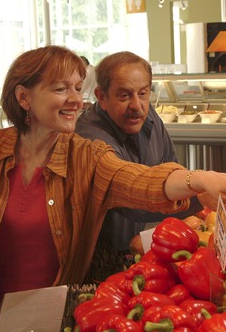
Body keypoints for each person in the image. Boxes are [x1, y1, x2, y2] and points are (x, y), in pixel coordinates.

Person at [0, 45, 226, 331]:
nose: (76, 100)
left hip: (55, 317)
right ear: (24, 97)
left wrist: (200, 179)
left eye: (78, 88)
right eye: (61, 89)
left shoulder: (86, 156)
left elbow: (140, 180)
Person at [75, 51, 205, 281]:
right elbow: (133, 196)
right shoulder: (89, 137)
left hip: (140, 251)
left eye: (143, 93)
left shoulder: (150, 118)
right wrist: (202, 192)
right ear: (101, 97)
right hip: (96, 263)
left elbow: (172, 167)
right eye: (124, 96)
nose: (137, 105)